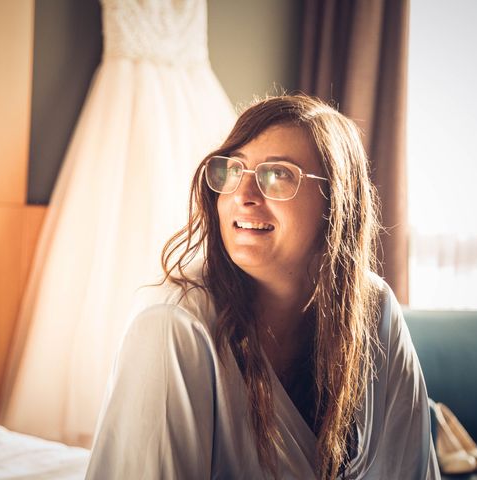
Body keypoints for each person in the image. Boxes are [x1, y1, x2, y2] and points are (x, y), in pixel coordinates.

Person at [85, 94, 440, 479]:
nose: (243, 196)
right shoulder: (174, 327)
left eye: (278, 175)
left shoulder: (374, 308)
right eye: (233, 171)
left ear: (335, 202)